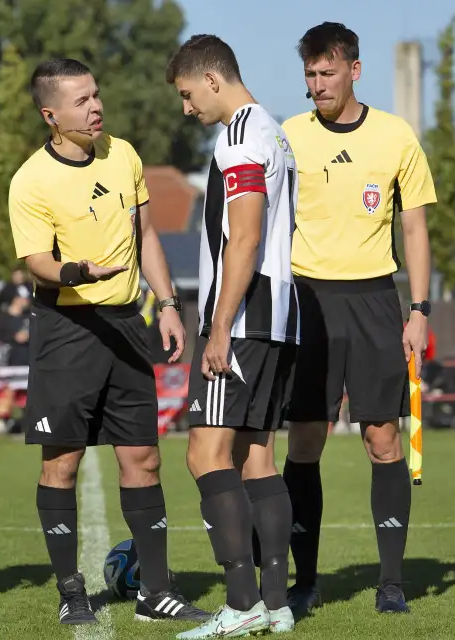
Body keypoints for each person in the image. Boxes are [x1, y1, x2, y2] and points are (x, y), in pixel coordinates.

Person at [8, 57, 209, 626]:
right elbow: (37, 262)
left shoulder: (123, 155)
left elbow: (145, 235)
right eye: (80, 101)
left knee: (144, 457)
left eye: (96, 95)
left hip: (127, 325)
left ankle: (156, 590)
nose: (95, 107)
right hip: (67, 328)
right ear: (51, 115)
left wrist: (167, 304)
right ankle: (72, 590)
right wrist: (77, 272)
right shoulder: (31, 180)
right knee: (62, 463)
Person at [281, 22, 436, 616]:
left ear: (354, 70)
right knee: (306, 440)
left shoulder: (395, 136)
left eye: (327, 72)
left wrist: (419, 310)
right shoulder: (289, 136)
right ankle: (305, 580)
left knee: (382, 438)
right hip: (308, 299)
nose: (318, 84)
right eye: (310, 75)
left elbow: (415, 228)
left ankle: (391, 581)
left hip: (375, 299)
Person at [164, 35, 300, 638]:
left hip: (243, 321)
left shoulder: (243, 135)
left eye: (188, 95)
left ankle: (241, 604)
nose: (187, 109)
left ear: (212, 80)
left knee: (205, 455)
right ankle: (276, 604)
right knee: (258, 460)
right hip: (278, 319)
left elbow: (243, 237)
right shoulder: (276, 132)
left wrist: (218, 325)